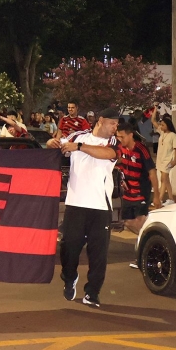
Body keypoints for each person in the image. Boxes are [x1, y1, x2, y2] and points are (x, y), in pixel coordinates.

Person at [47, 106, 120, 309]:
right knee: (68, 248)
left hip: (100, 206)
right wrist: (52, 143)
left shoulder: (112, 142)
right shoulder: (78, 135)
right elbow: (56, 145)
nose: (115, 127)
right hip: (76, 203)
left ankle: (92, 293)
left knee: (98, 254)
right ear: (101, 120)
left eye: (117, 124)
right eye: (112, 123)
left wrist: (78, 147)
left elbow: (108, 154)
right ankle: (69, 277)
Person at [116, 121, 161, 237]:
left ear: (130, 135)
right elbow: (118, 161)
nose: (119, 139)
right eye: (118, 136)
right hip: (127, 193)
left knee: (140, 221)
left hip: (141, 192)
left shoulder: (141, 149)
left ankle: (149, 239)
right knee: (127, 222)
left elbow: (152, 172)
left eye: (122, 137)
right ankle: (147, 238)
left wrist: (156, 196)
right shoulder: (120, 148)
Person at [154, 116, 176, 204]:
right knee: (166, 180)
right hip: (160, 158)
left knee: (163, 179)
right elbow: (153, 120)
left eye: (163, 125)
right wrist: (155, 110)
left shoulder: (173, 135)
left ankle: (160, 199)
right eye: (161, 125)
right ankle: (171, 198)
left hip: (168, 159)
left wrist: (174, 160)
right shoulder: (162, 133)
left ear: (168, 125)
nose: (161, 126)